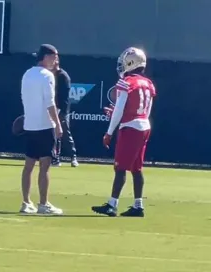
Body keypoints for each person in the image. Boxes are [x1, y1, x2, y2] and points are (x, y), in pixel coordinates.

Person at [91, 47, 156, 217]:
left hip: (131, 127)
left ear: (131, 63)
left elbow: (119, 109)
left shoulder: (126, 82)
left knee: (120, 167)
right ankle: (138, 205)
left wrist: (109, 132)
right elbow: (145, 110)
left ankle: (112, 204)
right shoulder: (148, 83)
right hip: (144, 125)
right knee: (136, 168)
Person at [19, 44, 64, 215]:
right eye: (54, 56)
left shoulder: (27, 74)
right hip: (44, 126)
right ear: (45, 57)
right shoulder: (47, 76)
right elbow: (50, 103)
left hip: (30, 126)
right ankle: (43, 204)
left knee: (28, 165)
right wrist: (58, 124)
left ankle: (26, 203)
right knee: (44, 166)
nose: (56, 60)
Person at [50, 58, 79, 167]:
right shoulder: (48, 76)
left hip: (62, 110)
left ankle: (73, 158)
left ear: (56, 62)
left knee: (64, 133)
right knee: (53, 135)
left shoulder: (63, 76)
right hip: (51, 109)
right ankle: (55, 158)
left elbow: (64, 97)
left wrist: (60, 110)